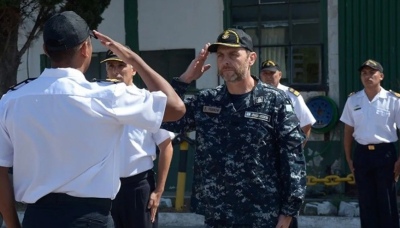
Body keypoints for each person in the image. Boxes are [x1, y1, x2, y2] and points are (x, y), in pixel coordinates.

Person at [0, 11, 185, 228]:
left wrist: (13, 225)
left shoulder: (11, 100)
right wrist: (132, 58)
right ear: (86, 49)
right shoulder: (107, 96)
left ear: (46, 50)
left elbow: (1, 171)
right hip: (90, 218)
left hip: (38, 217)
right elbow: (176, 108)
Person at [162, 28, 307, 228]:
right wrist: (185, 79)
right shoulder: (207, 100)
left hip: (264, 214)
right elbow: (168, 119)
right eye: (220, 55)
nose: (225, 61)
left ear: (251, 58)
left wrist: (289, 211)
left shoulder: (275, 101)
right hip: (219, 213)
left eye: (233, 54)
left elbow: (292, 159)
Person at [100, 50, 175, 228]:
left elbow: (166, 146)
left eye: (121, 65)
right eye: (111, 66)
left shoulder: (147, 100)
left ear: (133, 70)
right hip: (105, 186)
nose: (116, 71)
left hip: (136, 186)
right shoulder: (99, 102)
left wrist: (159, 191)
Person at [340, 59, 400, 228]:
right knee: (366, 202)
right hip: (362, 154)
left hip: (385, 154)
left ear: (381, 76)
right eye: (364, 73)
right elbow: (348, 132)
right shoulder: (353, 100)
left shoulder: (393, 100)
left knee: (386, 200)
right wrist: (349, 159)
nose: (367, 77)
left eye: (372, 73)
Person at [259, 59, 316, 145]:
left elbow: (306, 123)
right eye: (265, 73)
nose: (268, 76)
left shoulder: (291, 95)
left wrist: (297, 149)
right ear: (260, 75)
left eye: (272, 73)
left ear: (280, 75)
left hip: (284, 149)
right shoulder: (254, 94)